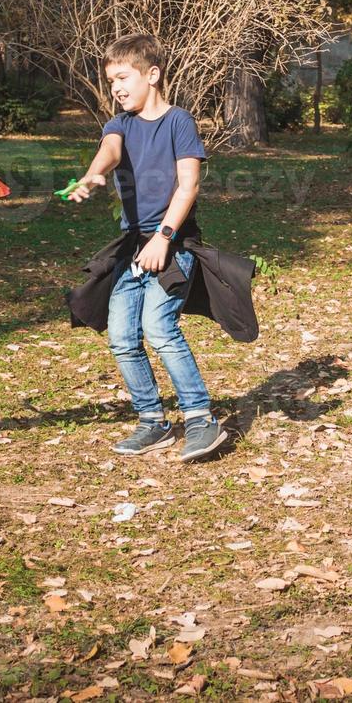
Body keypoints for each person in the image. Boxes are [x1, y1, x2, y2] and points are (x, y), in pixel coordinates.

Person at [67, 33, 228, 462]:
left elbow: (189, 185)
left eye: (123, 77)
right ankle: (153, 421)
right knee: (121, 336)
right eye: (111, 81)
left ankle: (199, 418)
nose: (116, 88)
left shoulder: (179, 122)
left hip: (174, 244)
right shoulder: (119, 124)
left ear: (152, 75)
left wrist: (164, 237)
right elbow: (110, 150)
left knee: (158, 327)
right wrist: (93, 174)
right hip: (133, 250)